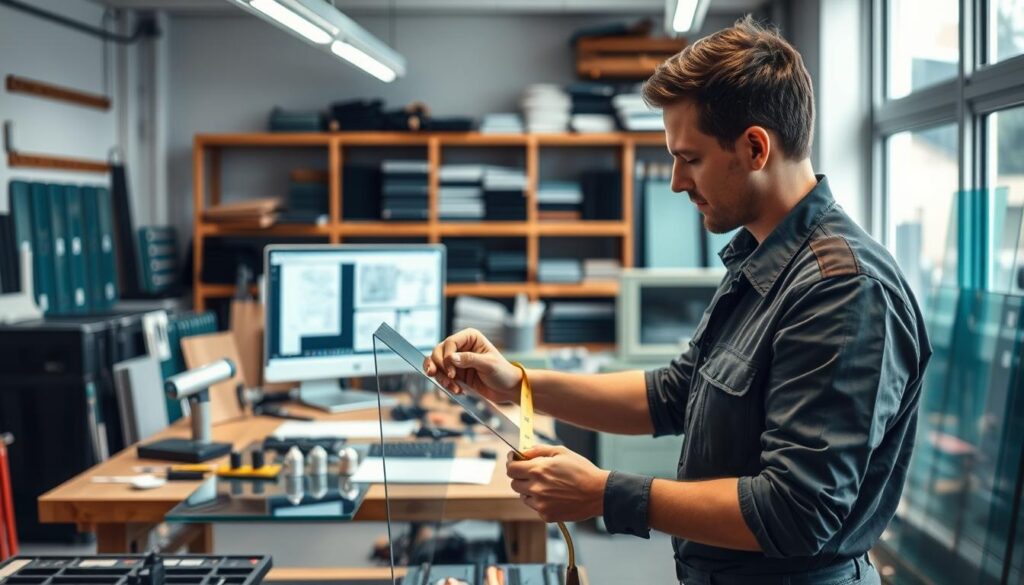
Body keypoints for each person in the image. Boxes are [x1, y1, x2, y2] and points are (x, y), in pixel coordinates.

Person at [424, 15, 930, 585]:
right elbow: (674, 394)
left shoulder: (842, 290)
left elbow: (796, 511)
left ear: (756, 147)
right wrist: (516, 383)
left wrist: (604, 493)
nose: (674, 181)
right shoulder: (763, 260)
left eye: (689, 158)